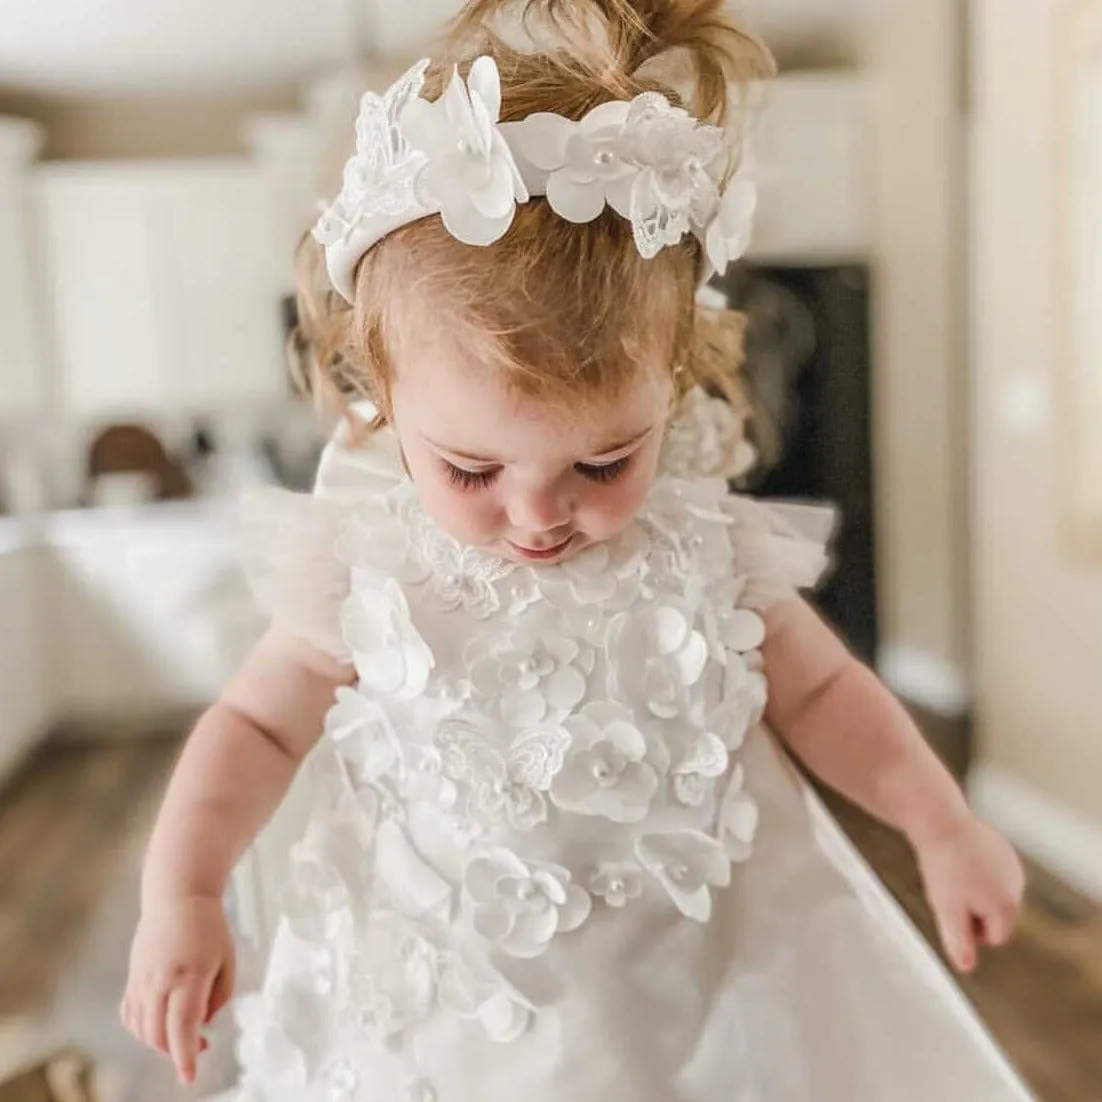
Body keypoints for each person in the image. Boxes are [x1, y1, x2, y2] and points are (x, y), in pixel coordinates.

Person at [121, 2, 1037, 1098]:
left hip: (678, 1013)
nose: (537, 515)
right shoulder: (368, 564)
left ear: (674, 382)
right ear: (381, 399)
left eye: (603, 465)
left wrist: (939, 824)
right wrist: (181, 894)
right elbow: (256, 725)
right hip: (437, 1024)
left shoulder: (704, 546)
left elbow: (828, 692)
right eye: (470, 470)